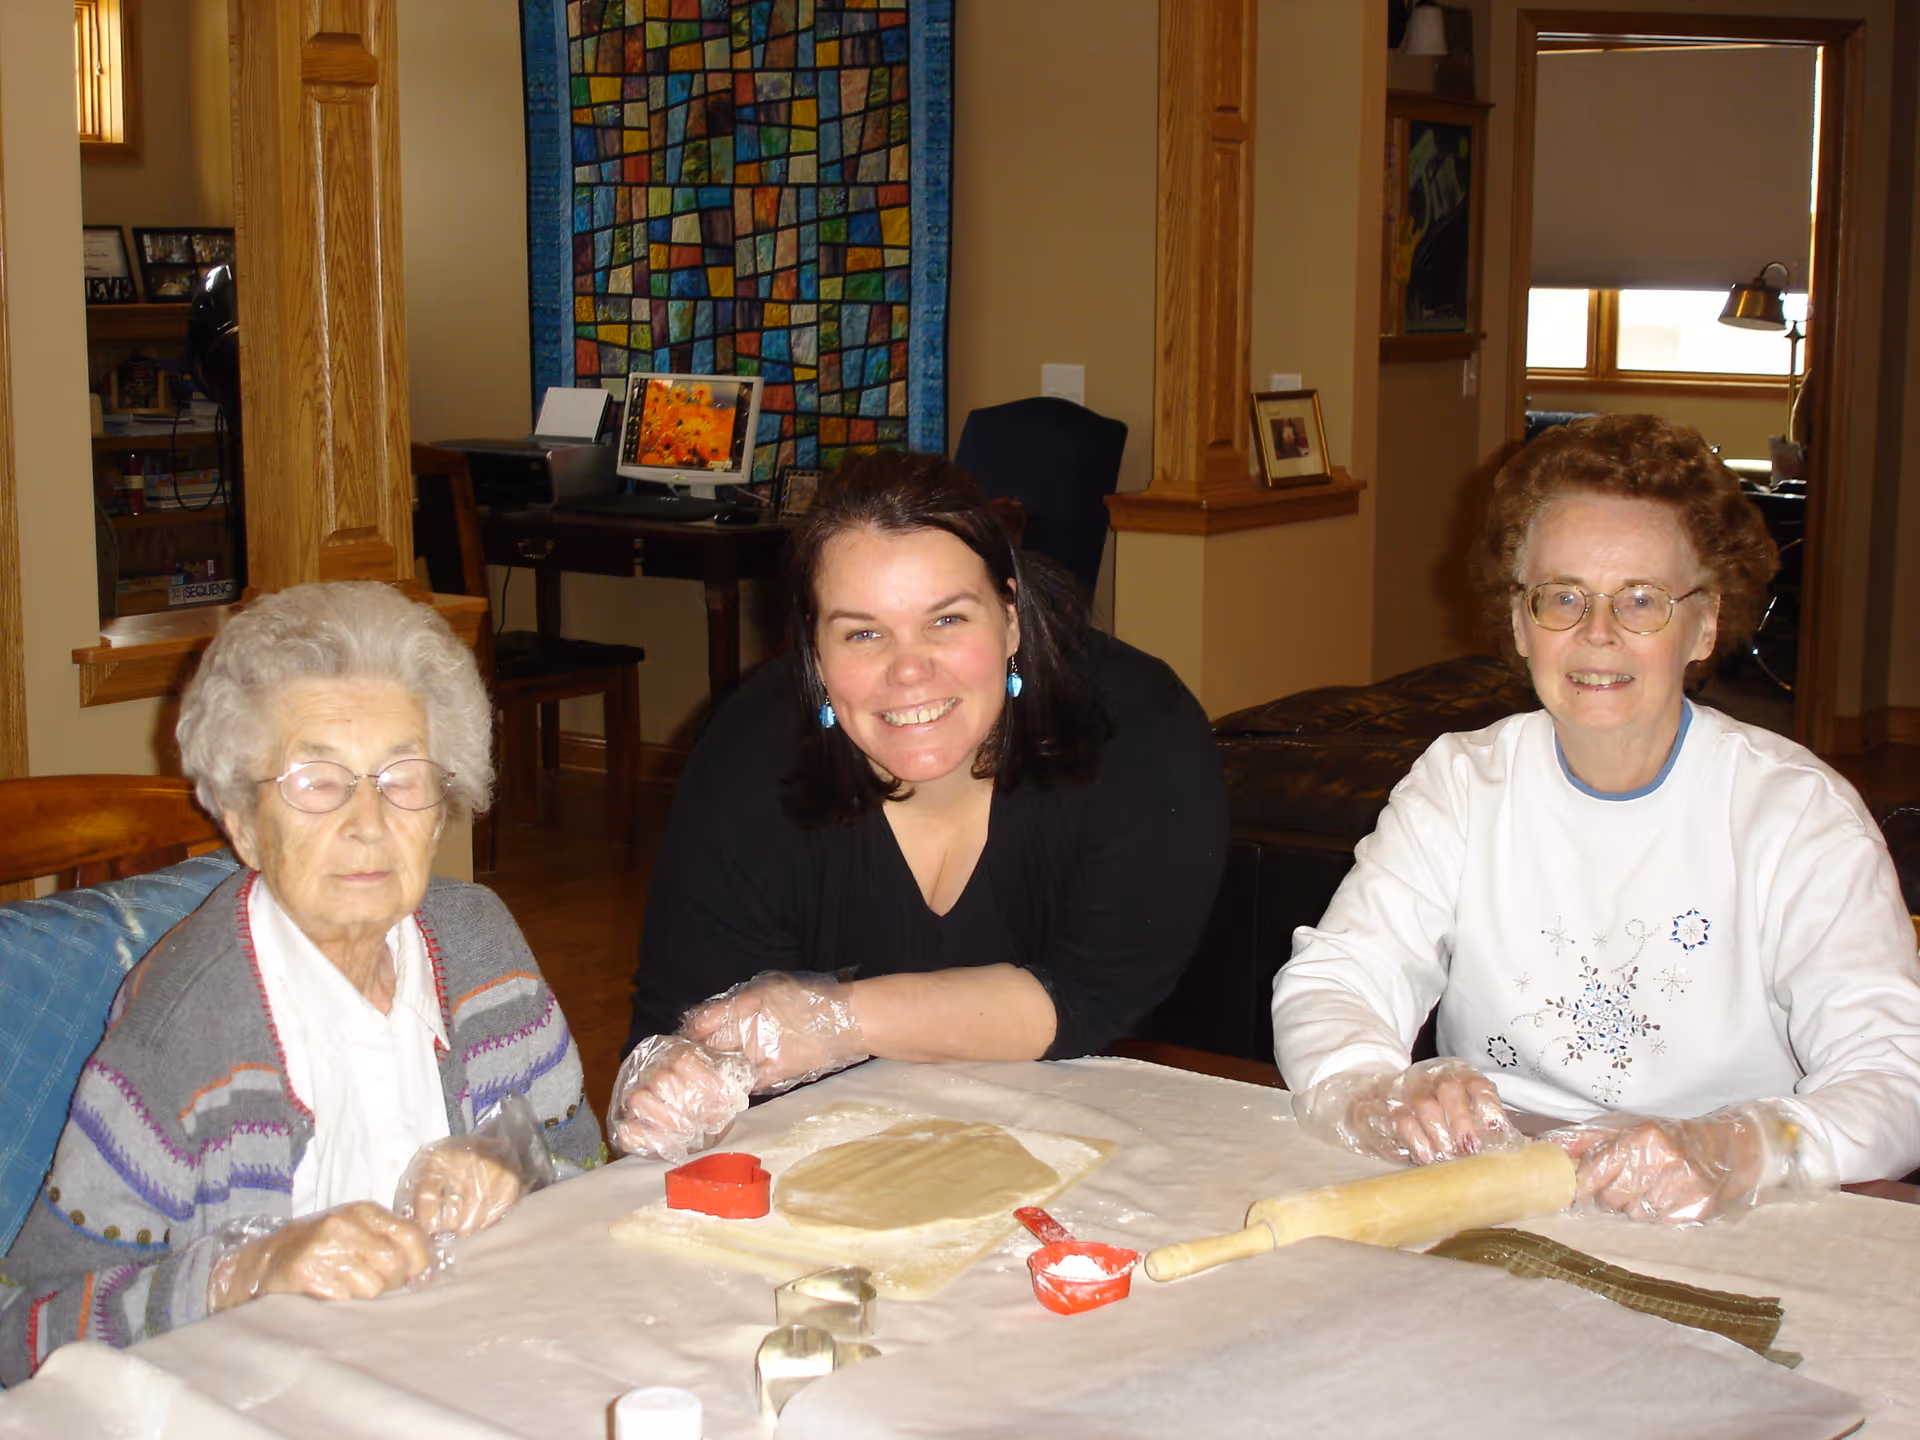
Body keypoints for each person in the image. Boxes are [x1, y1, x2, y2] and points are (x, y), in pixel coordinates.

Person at [1273, 414, 1920, 1223]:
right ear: (1519, 621)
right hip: (1500, 1195)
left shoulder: (1796, 814)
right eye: (1563, 597)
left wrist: (1736, 1149)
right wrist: (1377, 1089)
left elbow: (1896, 1076)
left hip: (1728, 1218)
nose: (1598, 633)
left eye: (1642, 599)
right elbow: (1338, 980)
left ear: (1706, 623)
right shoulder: (1462, 783)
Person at [0, 583, 601, 1382]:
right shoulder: (188, 1026)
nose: (367, 821)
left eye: (401, 778)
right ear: (244, 825)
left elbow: (590, 1179)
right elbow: (22, 1332)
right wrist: (242, 1274)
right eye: (317, 783)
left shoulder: (481, 943)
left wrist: (520, 1174)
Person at [612, 451, 1229, 1160]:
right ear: (813, 653)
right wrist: (673, 1087)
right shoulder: (750, 759)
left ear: (1011, 617)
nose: (909, 670)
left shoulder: (1138, 731)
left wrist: (837, 1020)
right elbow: (678, 1021)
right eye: (863, 633)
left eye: (946, 620)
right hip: (841, 1165)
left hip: (1122, 1147)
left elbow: (1090, 998)